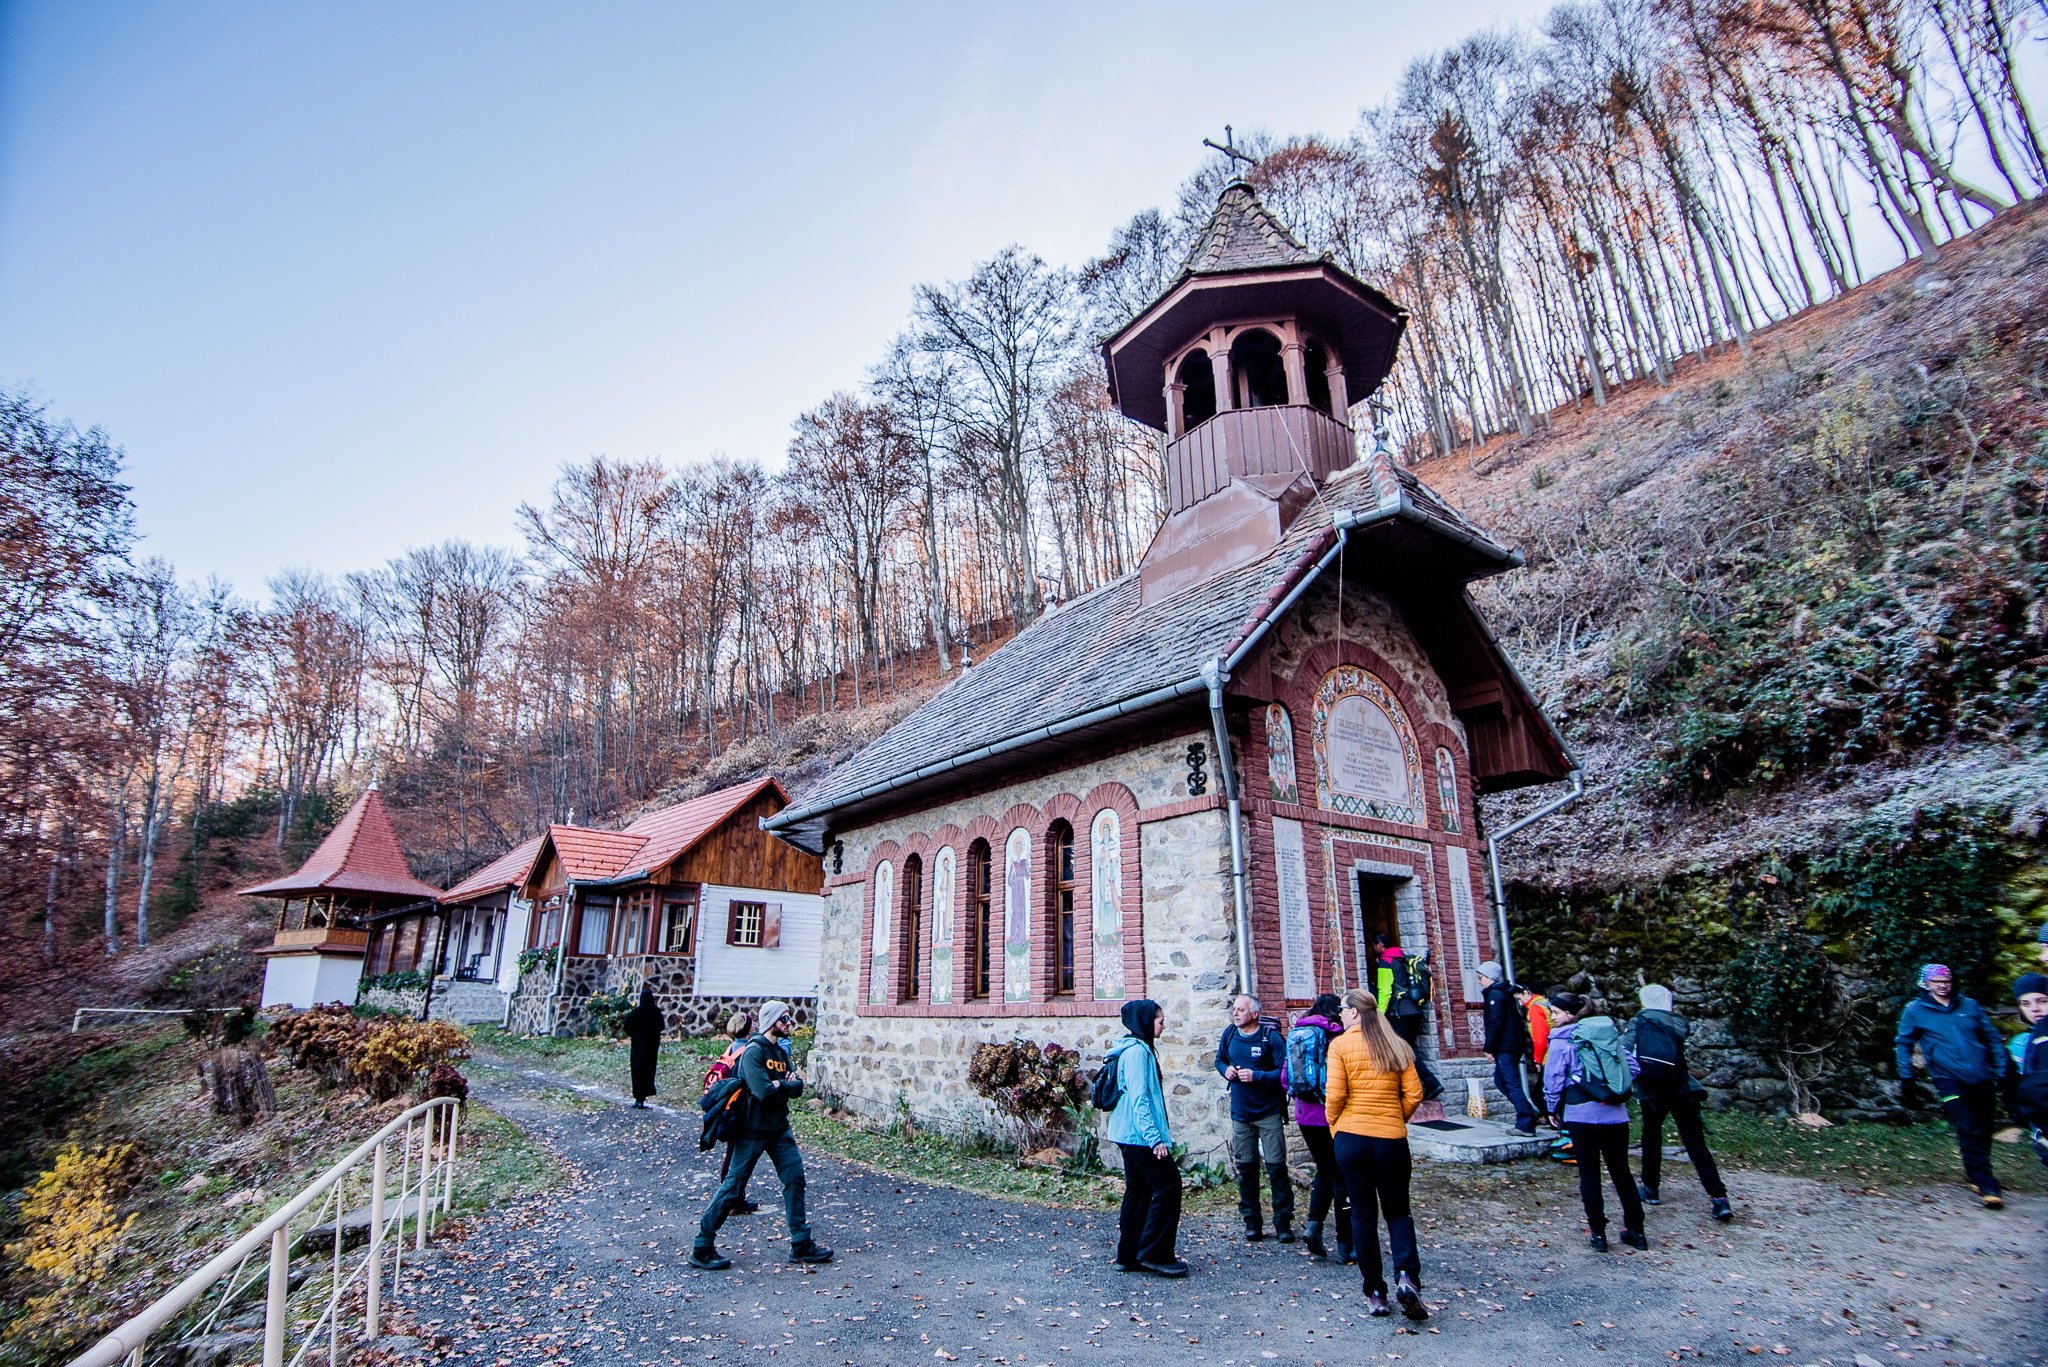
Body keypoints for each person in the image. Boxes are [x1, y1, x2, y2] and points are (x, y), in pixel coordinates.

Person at [690, 1000, 833, 1268]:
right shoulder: (753, 1053)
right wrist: (783, 1084)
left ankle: (801, 1243)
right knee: (732, 1188)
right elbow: (763, 1091)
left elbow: (799, 1087)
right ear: (771, 1023)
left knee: (795, 1179)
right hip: (751, 1131)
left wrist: (783, 1084)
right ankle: (702, 1246)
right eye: (785, 1019)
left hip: (779, 1130)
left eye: (789, 1018)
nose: (789, 1023)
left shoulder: (780, 1052)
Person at [1325, 987, 1427, 1322]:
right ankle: (1407, 1278)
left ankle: (1375, 1292)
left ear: (1354, 1012)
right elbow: (1414, 1093)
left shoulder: (1340, 1045)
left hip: (1352, 1138)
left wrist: (1335, 1128)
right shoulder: (1397, 1044)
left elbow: (1335, 1096)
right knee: (1399, 1213)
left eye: (1342, 1008)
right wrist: (1396, 1118)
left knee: (1363, 1215)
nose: (1339, 1014)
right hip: (1391, 1140)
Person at [1895, 963, 2008, 1208]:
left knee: (1985, 1126)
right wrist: (1907, 1077)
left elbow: (1991, 1038)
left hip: (1982, 1076)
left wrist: (2001, 1069)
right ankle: (1987, 1183)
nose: (1943, 986)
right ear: (1926, 983)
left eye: (1947, 981)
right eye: (1937, 982)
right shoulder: (1915, 1010)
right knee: (1968, 1127)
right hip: (1948, 1079)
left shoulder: (1970, 1006)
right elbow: (1903, 1043)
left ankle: (1974, 1169)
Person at [1542, 991, 1646, 1252]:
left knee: (1589, 1173)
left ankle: (1598, 1234)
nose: (1552, 1017)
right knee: (1621, 1171)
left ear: (1570, 1014)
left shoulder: (1561, 1040)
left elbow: (1553, 1078)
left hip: (1580, 1115)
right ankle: (1636, 1231)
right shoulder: (1606, 1036)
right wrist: (1608, 1088)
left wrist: (1552, 1107)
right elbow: (1633, 1069)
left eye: (1555, 1012)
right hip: (1615, 1114)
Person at [1623, 984, 1732, 1222]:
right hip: (1684, 1087)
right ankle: (1719, 1198)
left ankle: (1651, 1189)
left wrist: (1635, 1077)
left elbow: (1625, 1050)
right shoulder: (1678, 1023)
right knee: (1695, 1144)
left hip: (1653, 1091)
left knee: (1651, 1138)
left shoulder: (1639, 1021)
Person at [1106, 998, 1187, 1277]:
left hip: (1129, 1133)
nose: (1163, 1025)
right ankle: (1154, 1253)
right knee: (1169, 1185)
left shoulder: (1139, 1049)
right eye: (1159, 1020)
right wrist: (1155, 1140)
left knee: (1138, 1192)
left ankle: (1128, 1256)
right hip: (1137, 1135)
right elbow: (1140, 1100)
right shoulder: (1137, 1053)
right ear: (1144, 1021)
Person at [1215, 993, 1294, 1242]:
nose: (1235, 1013)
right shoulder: (1229, 1034)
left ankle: (1283, 1223)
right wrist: (1224, 1070)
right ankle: (1252, 1222)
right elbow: (1219, 1060)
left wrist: (1257, 1076)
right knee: (1246, 1170)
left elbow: (1284, 1074)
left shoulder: (1270, 1038)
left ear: (1255, 1014)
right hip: (1241, 1113)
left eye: (1240, 1009)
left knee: (1276, 1168)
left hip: (1268, 1112)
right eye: (1234, 1009)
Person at [1285, 992, 1353, 1263]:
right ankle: (1346, 1244)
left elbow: (1284, 1078)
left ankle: (1314, 1226)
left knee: (1325, 1169)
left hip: (1305, 1116)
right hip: (1332, 1115)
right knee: (1343, 1176)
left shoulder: (1298, 1033)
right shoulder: (1338, 1036)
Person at [702, 1010, 759, 1216]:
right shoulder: (747, 1051)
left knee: (732, 1152)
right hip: (738, 1108)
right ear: (747, 1029)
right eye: (752, 1024)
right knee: (736, 1154)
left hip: (726, 1106)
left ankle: (734, 1197)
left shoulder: (730, 1049)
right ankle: (732, 1199)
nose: (754, 1027)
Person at [1372, 936, 1444, 1101]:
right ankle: (1416, 1087)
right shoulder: (1402, 958)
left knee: (1402, 1050)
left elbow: (1384, 991)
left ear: (1381, 945)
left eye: (1374, 945)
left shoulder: (1386, 962)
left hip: (1401, 1012)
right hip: (1415, 1011)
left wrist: (1380, 1015)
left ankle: (1430, 1083)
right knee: (1408, 1050)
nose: (1373, 948)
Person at [1477, 963, 1536, 1136]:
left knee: (1511, 1083)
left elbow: (1495, 1022)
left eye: (1481, 978)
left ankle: (1526, 1122)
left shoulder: (1495, 994)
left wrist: (1489, 1047)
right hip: (1513, 1045)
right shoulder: (1505, 992)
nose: (1480, 982)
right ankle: (1528, 1112)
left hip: (1506, 1046)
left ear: (1490, 978)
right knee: (1501, 1081)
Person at [1517, 984, 1556, 1128]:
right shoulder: (1546, 1003)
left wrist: (1538, 1060)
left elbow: (1540, 1038)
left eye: (1520, 998)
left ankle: (1558, 1126)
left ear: (1527, 992)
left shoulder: (1535, 1008)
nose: (1520, 1003)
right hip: (1555, 1054)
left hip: (1548, 1056)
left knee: (1541, 1095)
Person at [624, 986, 663, 1108]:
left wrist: (635, 1034)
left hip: (638, 1046)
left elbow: (627, 1026)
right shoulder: (655, 1011)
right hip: (652, 1047)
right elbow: (661, 1026)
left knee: (638, 1071)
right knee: (649, 1070)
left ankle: (638, 1098)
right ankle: (645, 1093)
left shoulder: (637, 1012)